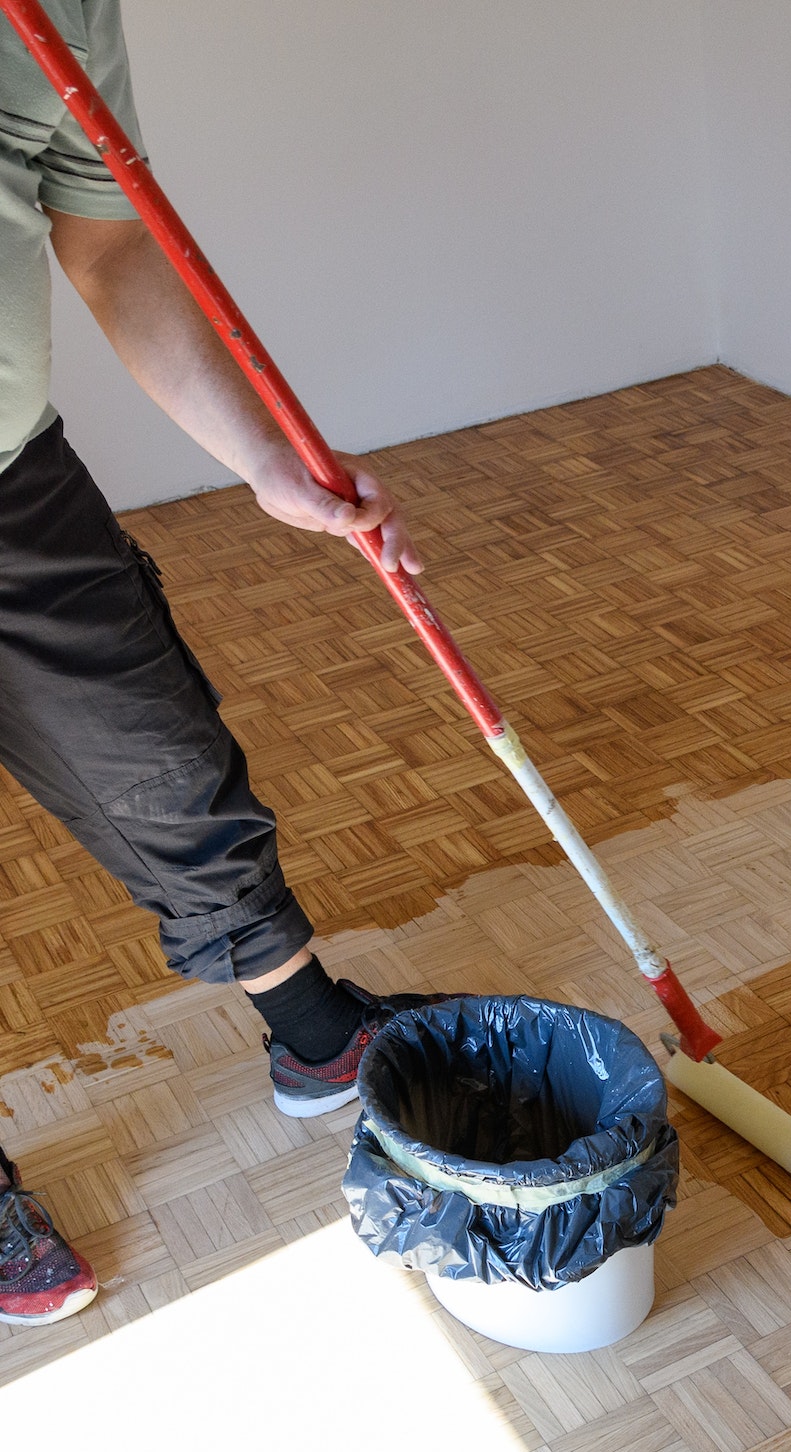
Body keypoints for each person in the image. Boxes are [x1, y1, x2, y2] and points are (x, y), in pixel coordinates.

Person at [0, 1, 446, 1326]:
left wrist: (260, 464)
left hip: (13, 480)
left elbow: (110, 243)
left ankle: (317, 1040)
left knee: (165, 765)